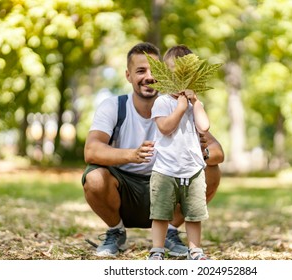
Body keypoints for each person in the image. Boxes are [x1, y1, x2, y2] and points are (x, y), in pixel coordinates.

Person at [82, 42, 224, 257]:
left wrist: (201, 153)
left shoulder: (179, 104)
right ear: (128, 76)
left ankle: (171, 232)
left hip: (171, 184)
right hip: (125, 190)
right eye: (141, 71)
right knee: (94, 177)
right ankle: (116, 230)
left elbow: (218, 152)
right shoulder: (114, 106)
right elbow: (91, 151)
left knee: (211, 170)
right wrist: (132, 155)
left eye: (154, 70)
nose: (149, 76)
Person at [148, 45, 211, 260]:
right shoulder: (162, 102)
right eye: (174, 71)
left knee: (194, 213)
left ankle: (195, 249)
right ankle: (157, 249)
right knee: (161, 212)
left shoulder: (194, 105)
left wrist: (195, 103)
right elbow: (165, 127)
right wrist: (180, 108)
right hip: (165, 168)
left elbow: (204, 127)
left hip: (192, 168)